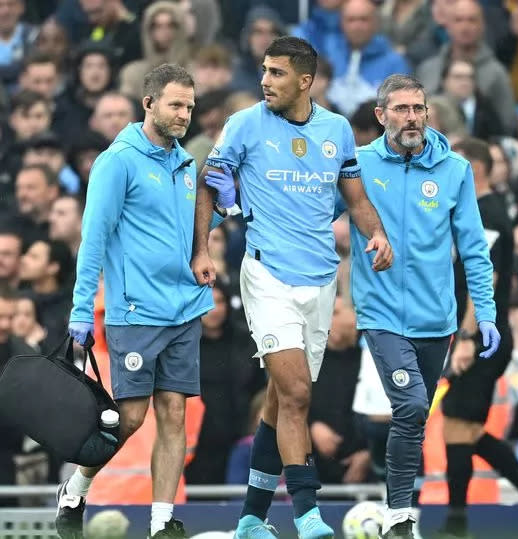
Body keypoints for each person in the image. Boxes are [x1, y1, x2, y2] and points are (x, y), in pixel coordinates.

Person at [191, 36, 392, 539]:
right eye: (263, 70)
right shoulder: (244, 125)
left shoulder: (336, 130)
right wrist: (201, 247)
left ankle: (251, 519)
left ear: (305, 81)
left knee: (282, 401)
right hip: (267, 275)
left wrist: (378, 234)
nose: (265, 81)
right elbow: (210, 185)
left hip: (321, 279)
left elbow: (355, 195)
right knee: (298, 393)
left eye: (277, 73)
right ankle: (307, 512)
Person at [59, 64, 227, 539]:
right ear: (148, 103)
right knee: (130, 418)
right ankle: (76, 489)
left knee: (175, 414)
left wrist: (213, 230)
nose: (184, 115)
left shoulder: (185, 164)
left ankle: (160, 522)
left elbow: (179, 231)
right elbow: (93, 239)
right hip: (136, 311)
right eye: (176, 104)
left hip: (184, 308)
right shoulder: (117, 161)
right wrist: (80, 309)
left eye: (190, 107)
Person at [342, 76, 494, 536]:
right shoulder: (358, 166)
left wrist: (484, 312)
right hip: (381, 314)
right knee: (409, 407)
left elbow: (473, 247)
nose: (412, 117)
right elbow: (312, 215)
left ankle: (403, 512)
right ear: (381, 115)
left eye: (418, 108)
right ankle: (400, 516)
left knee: (416, 417)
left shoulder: (455, 170)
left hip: (438, 320)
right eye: (402, 108)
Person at [440, 136, 518, 537]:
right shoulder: (475, 210)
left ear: (472, 167)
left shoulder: (488, 213)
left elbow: (485, 278)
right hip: (477, 334)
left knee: (460, 427)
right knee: (459, 428)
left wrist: (470, 337)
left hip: (484, 336)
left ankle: (462, 522)